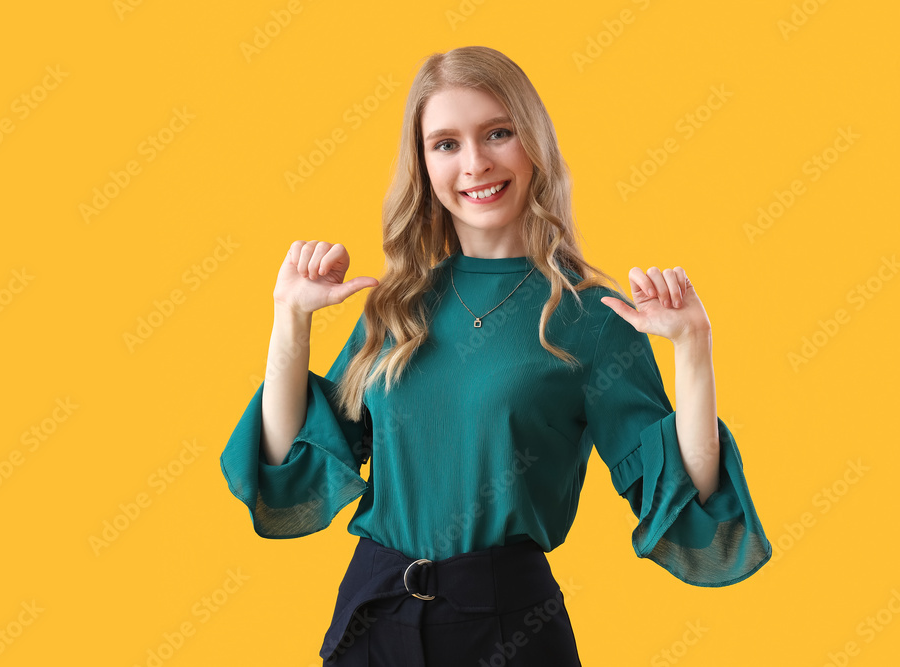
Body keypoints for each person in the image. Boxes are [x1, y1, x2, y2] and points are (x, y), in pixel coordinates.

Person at [220, 45, 772, 666]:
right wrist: (290, 319)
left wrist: (694, 351)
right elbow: (282, 465)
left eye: (498, 133)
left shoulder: (592, 316)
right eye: (446, 144)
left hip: (508, 632)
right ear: (424, 164)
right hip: (372, 622)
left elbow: (689, 499)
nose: (476, 163)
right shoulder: (398, 305)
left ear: (533, 142)